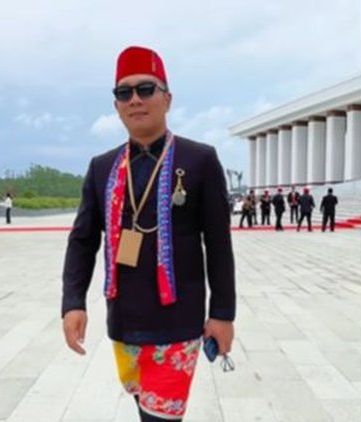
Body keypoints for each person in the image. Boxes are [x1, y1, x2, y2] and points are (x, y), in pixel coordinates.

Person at [61, 46, 236, 422]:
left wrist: (222, 313)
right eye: (124, 93)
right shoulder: (102, 167)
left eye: (146, 89)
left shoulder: (199, 160)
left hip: (177, 319)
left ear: (167, 99)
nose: (135, 99)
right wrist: (72, 301)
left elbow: (219, 244)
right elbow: (83, 240)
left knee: (162, 418)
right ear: (116, 106)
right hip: (123, 320)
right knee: (145, 409)